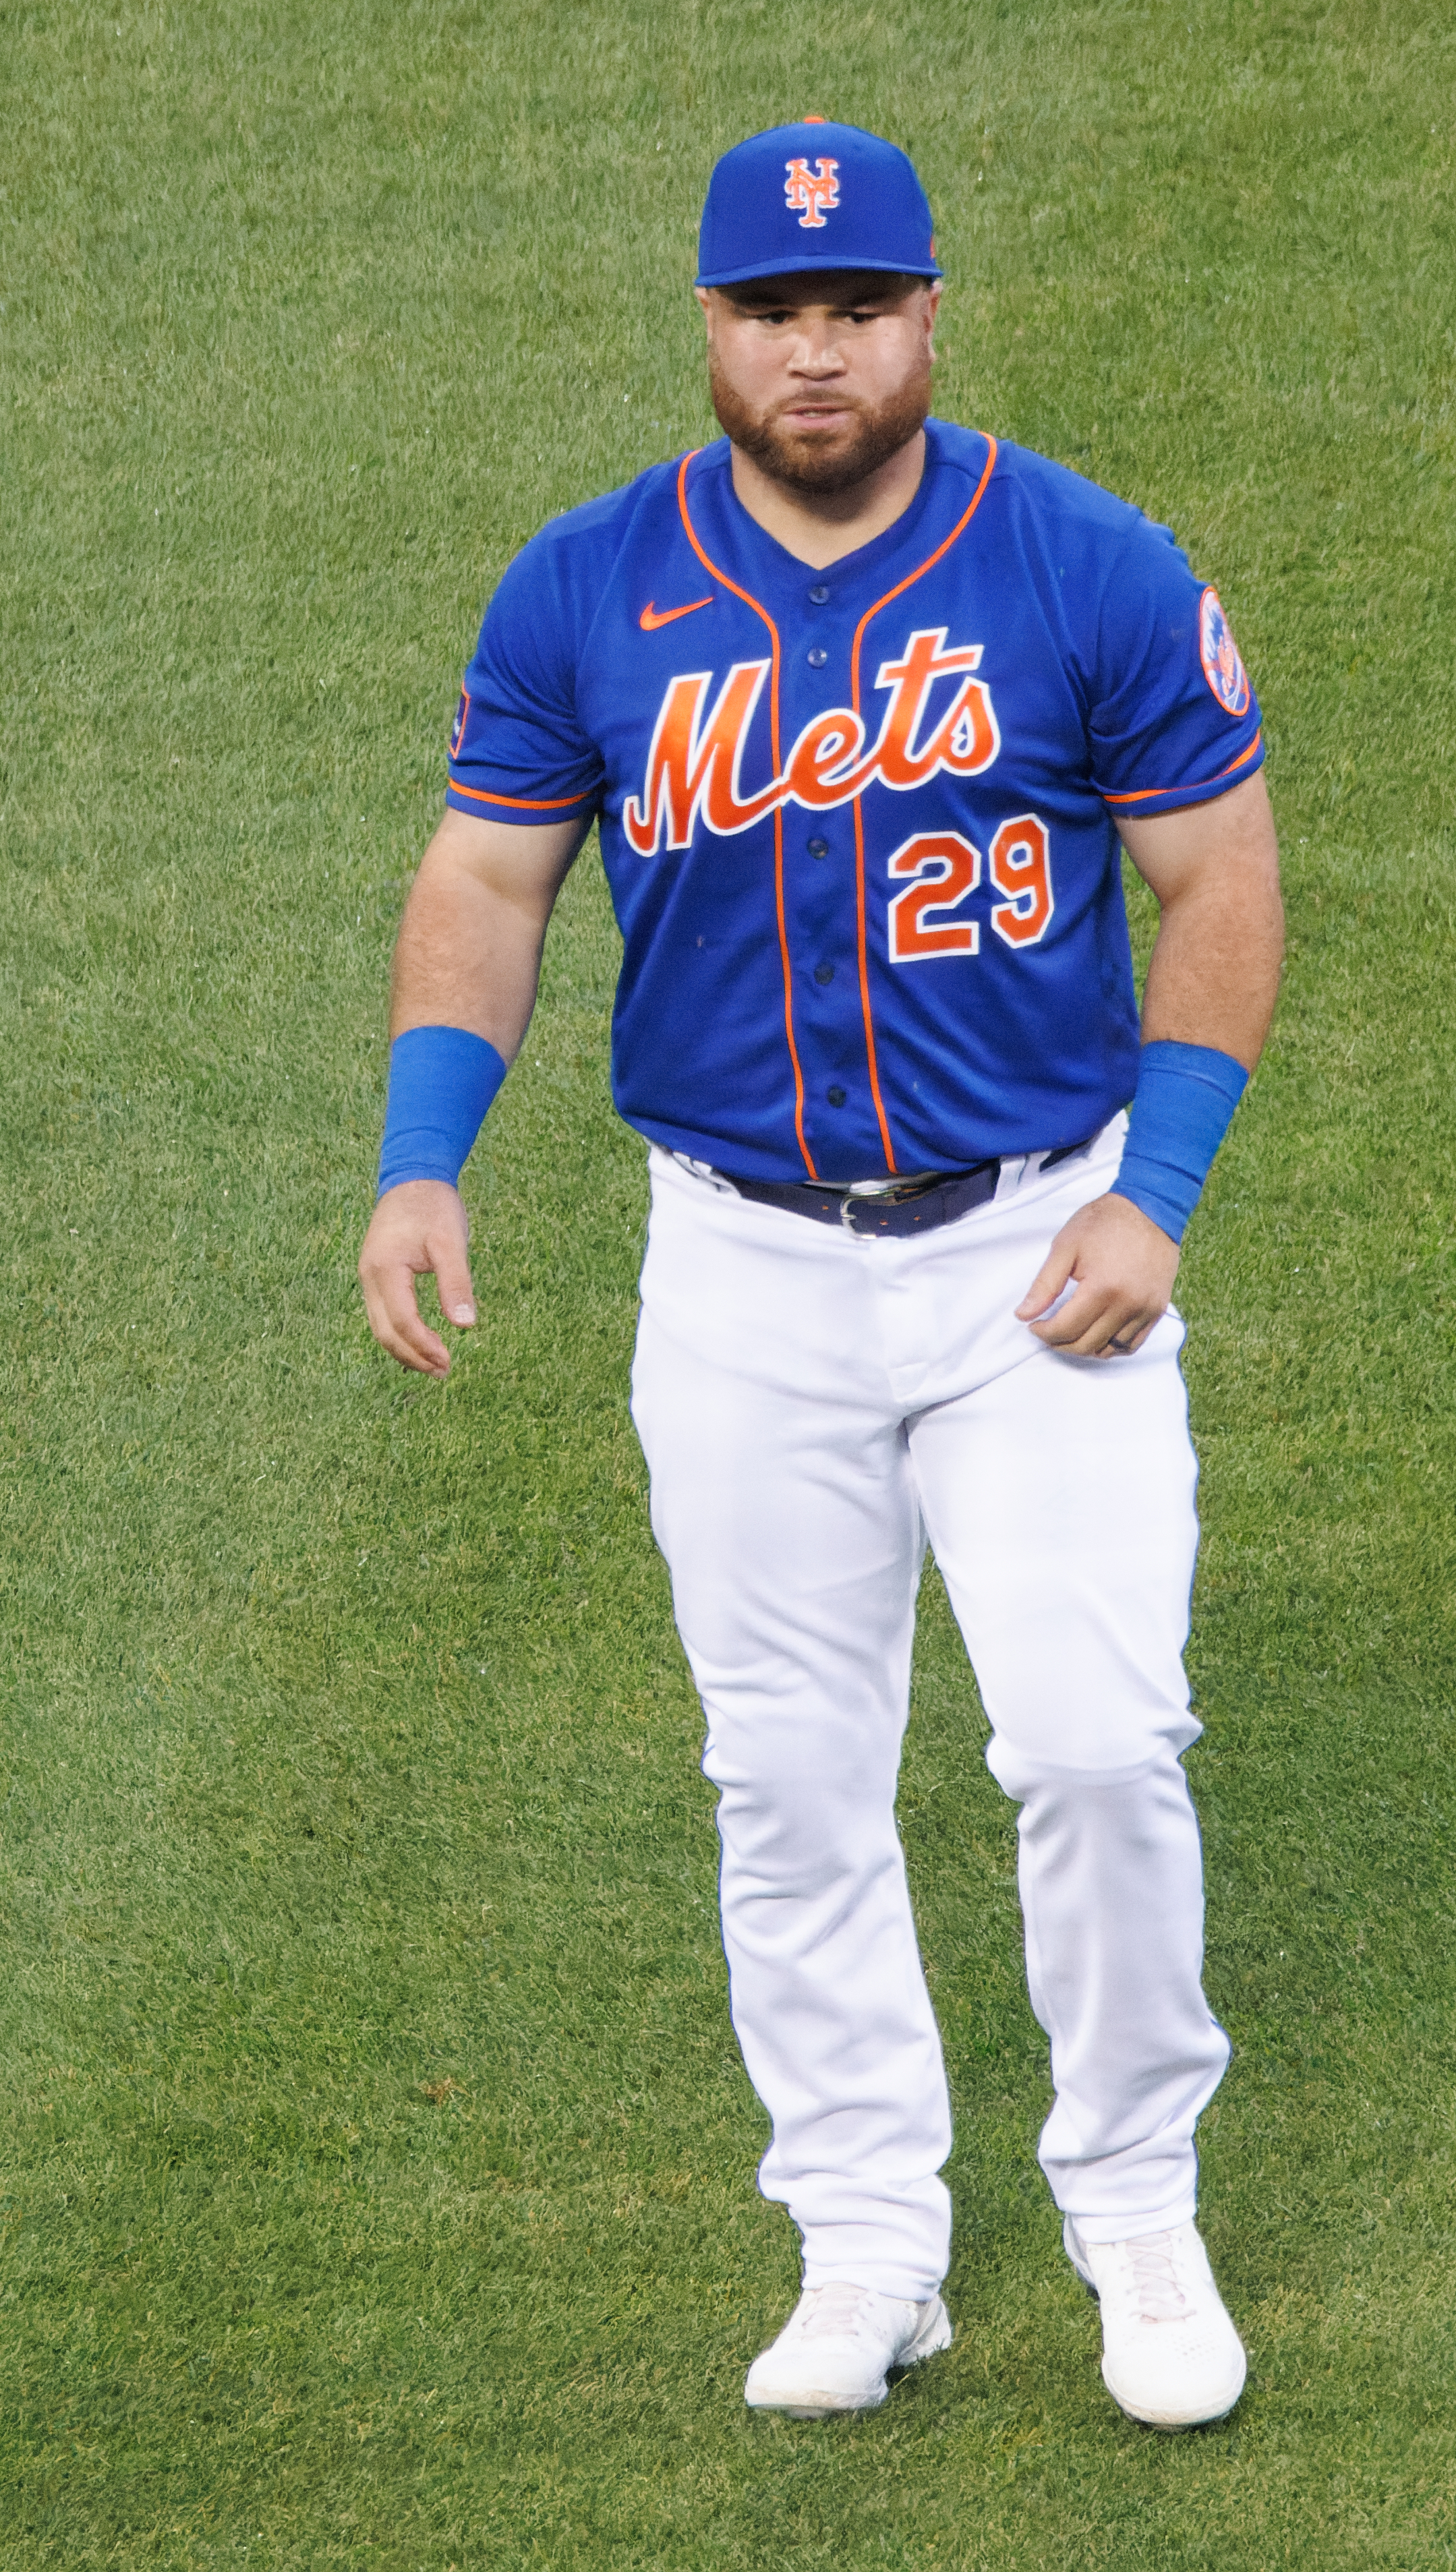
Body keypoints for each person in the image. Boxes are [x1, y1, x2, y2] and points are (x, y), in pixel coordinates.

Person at [359, 118, 1284, 2430]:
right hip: (741, 1275)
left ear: (928, 316)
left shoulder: (1079, 563)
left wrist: (1153, 1193)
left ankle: (1138, 2214)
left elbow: (1221, 876)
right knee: (787, 1781)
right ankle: (869, 2241)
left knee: (1094, 1746)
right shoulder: (582, 588)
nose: (817, 352)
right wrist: (419, 1159)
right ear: (709, 324)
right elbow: (488, 883)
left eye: (859, 307)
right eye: (775, 313)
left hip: (1029, 1254)